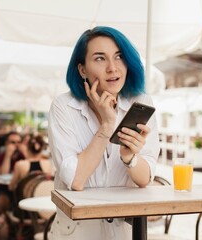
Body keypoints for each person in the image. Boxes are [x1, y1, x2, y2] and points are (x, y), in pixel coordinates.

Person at [48, 26, 160, 239]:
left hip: (124, 231)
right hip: (77, 232)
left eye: (119, 57)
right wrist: (107, 127)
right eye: (100, 58)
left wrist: (130, 158)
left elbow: (145, 178)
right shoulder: (64, 106)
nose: (112, 68)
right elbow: (76, 180)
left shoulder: (141, 102)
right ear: (82, 70)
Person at [0, 131, 26, 227]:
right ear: (6, 143)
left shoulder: (22, 155)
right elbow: (3, 174)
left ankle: (4, 218)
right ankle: (8, 220)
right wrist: (8, 156)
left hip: (19, 188)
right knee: (4, 201)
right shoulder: (3, 155)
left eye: (18, 142)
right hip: (4, 189)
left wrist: (26, 153)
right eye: (12, 142)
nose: (16, 145)